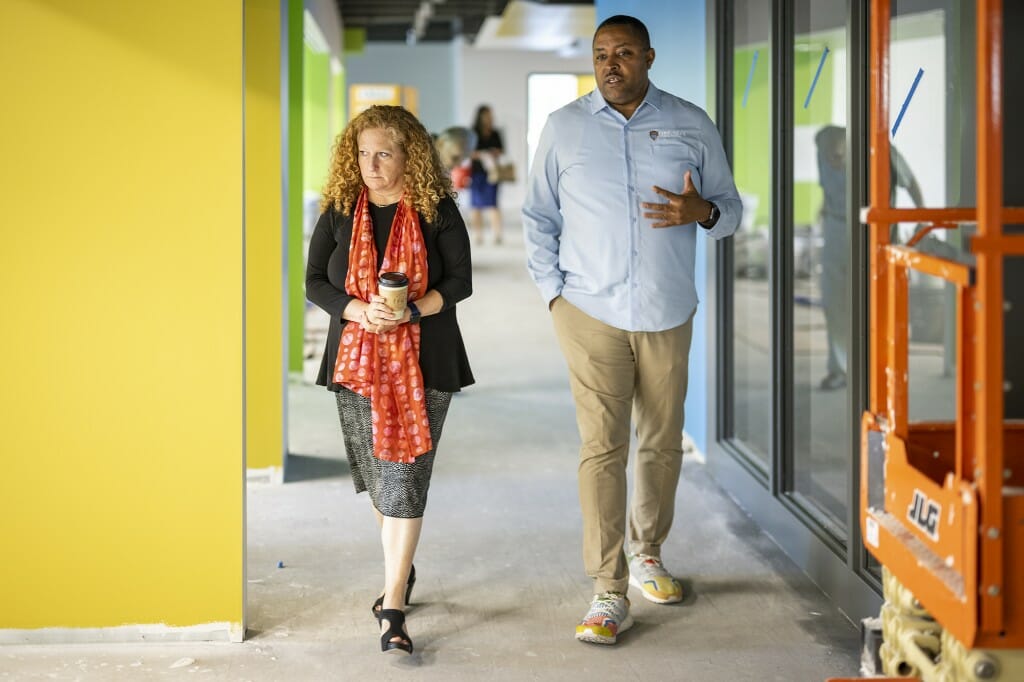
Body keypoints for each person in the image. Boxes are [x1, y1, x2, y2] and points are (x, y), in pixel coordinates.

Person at [523, 15, 742, 646]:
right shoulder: (564, 127)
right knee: (602, 447)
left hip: (668, 310)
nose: (610, 64)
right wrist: (553, 297)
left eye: (622, 53)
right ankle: (607, 588)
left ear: (647, 56)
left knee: (661, 441)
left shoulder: (690, 122)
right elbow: (538, 215)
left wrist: (703, 213)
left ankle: (649, 551)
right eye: (600, 54)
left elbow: (730, 210)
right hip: (588, 311)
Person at [305, 105, 474, 655]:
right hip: (354, 363)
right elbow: (314, 282)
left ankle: (393, 606)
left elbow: (460, 281)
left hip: (424, 362)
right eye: (362, 153)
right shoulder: (338, 209)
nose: (371, 165)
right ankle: (401, 564)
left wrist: (412, 311)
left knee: (403, 481)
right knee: (380, 484)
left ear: (411, 156)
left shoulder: (435, 209)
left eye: (384, 153)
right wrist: (356, 310)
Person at [814, 125, 923, 390]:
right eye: (828, 155)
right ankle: (840, 370)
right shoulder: (824, 153)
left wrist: (922, 218)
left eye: (838, 155)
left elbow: (910, 183)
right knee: (835, 301)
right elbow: (829, 190)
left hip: (872, 229)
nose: (833, 160)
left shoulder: (881, 151)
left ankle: (882, 368)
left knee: (876, 300)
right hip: (836, 230)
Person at [469, 104, 504, 245]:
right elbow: (468, 152)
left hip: (492, 173)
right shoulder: (472, 133)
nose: (490, 117)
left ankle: (497, 234)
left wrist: (492, 153)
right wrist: (480, 155)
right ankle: (478, 234)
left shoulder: (495, 133)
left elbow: (501, 150)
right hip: (476, 173)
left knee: (493, 204)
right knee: (476, 205)